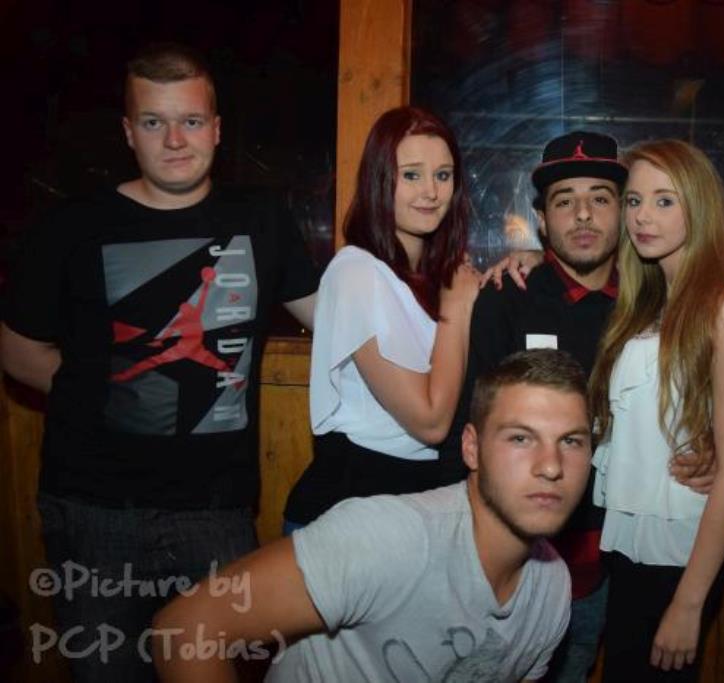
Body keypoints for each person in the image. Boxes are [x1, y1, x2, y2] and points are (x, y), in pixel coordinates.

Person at [0, 42, 318, 681]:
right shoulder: (71, 227)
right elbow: (17, 348)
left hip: (217, 512)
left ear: (217, 129)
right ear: (128, 132)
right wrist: (105, 388)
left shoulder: (260, 219)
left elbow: (338, 320)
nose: (175, 140)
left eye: (191, 120)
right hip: (92, 511)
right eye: (154, 122)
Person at [152, 348, 593, 682]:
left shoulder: (551, 592)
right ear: (472, 449)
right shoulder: (392, 537)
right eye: (520, 438)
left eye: (571, 441)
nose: (551, 466)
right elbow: (187, 628)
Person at [440, 130, 622, 682]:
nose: (583, 214)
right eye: (565, 201)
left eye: (600, 198)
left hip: (612, 556)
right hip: (512, 557)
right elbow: (470, 430)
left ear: (622, 212)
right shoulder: (507, 297)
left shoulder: (648, 301)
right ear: (542, 219)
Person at [589, 139, 724, 681]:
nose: (642, 216)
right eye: (634, 201)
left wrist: (689, 602)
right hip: (632, 547)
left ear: (698, 206)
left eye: (664, 201)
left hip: (682, 555)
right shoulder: (645, 302)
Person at [281, 106, 481, 532]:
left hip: (413, 504)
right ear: (379, 180)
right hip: (352, 507)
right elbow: (430, 422)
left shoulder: (430, 277)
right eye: (411, 175)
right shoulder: (357, 271)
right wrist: (455, 308)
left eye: (443, 175)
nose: (430, 191)